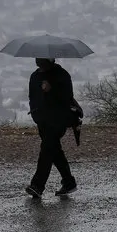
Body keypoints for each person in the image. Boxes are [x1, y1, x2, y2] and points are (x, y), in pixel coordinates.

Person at [25, 58, 77, 198]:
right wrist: (36, 115)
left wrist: (51, 90)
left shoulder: (61, 75)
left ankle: (37, 185)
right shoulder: (34, 76)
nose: (38, 60)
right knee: (54, 150)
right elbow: (32, 97)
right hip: (42, 121)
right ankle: (68, 182)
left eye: (41, 58)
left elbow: (67, 97)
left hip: (58, 120)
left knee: (47, 150)